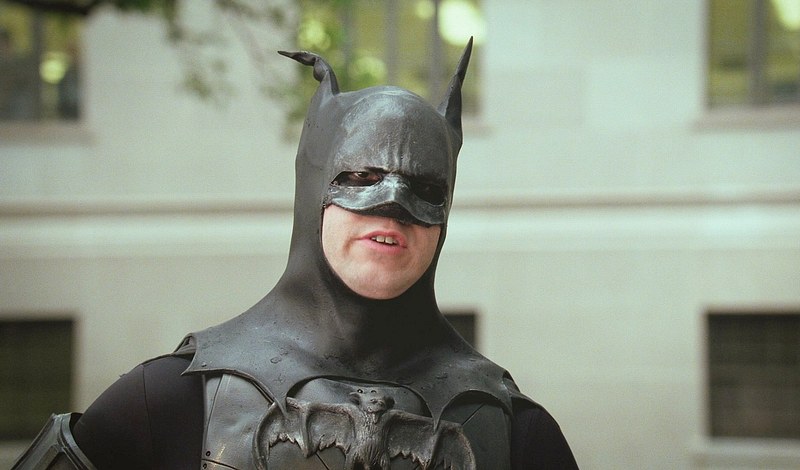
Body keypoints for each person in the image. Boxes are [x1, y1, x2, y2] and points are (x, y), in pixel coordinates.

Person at [13, 39, 578, 469]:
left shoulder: (512, 431)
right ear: (314, 192)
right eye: (361, 178)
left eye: (426, 191)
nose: (394, 209)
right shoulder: (167, 401)